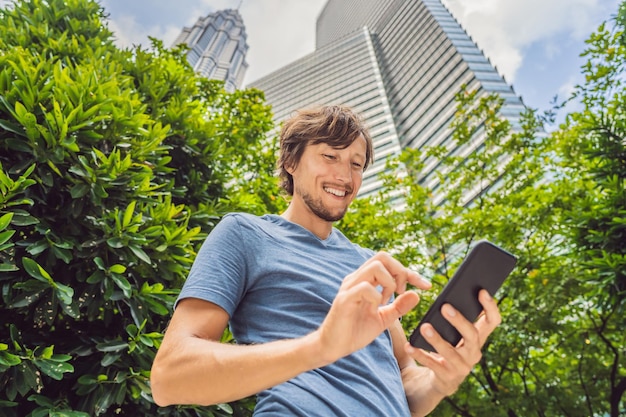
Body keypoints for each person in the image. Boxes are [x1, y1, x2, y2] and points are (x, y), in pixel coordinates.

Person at [150, 105, 501, 416]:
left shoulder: (370, 265)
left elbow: (406, 383)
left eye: (356, 164)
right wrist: (319, 347)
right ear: (291, 162)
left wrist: (442, 380)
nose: (345, 177)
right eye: (329, 156)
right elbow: (170, 377)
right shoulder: (245, 234)